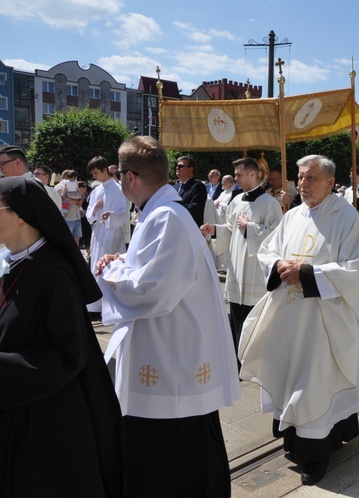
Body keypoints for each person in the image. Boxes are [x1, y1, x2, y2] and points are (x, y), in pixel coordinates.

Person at [96, 136, 241, 497]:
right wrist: (123, 262)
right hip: (168, 349)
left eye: (118, 173)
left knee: (171, 457)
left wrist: (112, 273)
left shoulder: (166, 218)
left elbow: (152, 289)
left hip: (171, 361)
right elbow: (152, 271)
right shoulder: (159, 213)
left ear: (130, 177)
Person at [238, 154, 359, 486]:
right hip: (290, 318)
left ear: (329, 181)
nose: (303, 184)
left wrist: (306, 272)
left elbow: (354, 271)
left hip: (324, 322)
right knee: (290, 377)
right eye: (301, 177)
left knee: (313, 384)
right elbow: (267, 250)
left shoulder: (347, 217)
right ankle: (295, 442)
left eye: (311, 178)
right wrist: (279, 265)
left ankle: (316, 455)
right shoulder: (293, 214)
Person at [0, 177, 123, 496]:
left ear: (21, 216)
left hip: (44, 427)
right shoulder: (18, 262)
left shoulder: (54, 274)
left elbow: (67, 357)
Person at [200, 157, 283, 349]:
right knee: (236, 315)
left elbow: (278, 236)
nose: (236, 178)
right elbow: (230, 229)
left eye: (239, 174)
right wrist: (215, 229)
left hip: (256, 272)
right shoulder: (235, 200)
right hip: (237, 268)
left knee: (254, 319)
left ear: (252, 174)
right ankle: (236, 356)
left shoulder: (269, 203)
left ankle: (253, 357)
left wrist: (251, 228)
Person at [86, 156, 128, 317]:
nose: (94, 176)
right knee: (95, 266)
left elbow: (123, 213)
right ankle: (95, 305)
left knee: (108, 267)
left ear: (105, 170)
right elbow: (89, 214)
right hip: (97, 232)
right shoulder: (97, 189)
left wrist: (110, 215)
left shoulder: (118, 189)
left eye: (96, 172)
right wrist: (95, 209)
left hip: (111, 232)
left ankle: (108, 304)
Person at [174, 155, 208, 227]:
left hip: (190, 228)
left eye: (180, 166)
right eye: (177, 166)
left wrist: (174, 205)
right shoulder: (174, 187)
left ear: (191, 169)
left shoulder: (198, 186)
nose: (177, 168)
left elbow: (195, 209)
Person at [56, 169, 84, 246]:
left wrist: (80, 199)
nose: (74, 179)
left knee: (76, 239)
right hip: (67, 217)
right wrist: (77, 201)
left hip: (77, 216)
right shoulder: (59, 188)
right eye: (72, 177)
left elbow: (81, 196)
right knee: (68, 240)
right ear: (66, 177)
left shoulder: (74, 184)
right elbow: (63, 202)